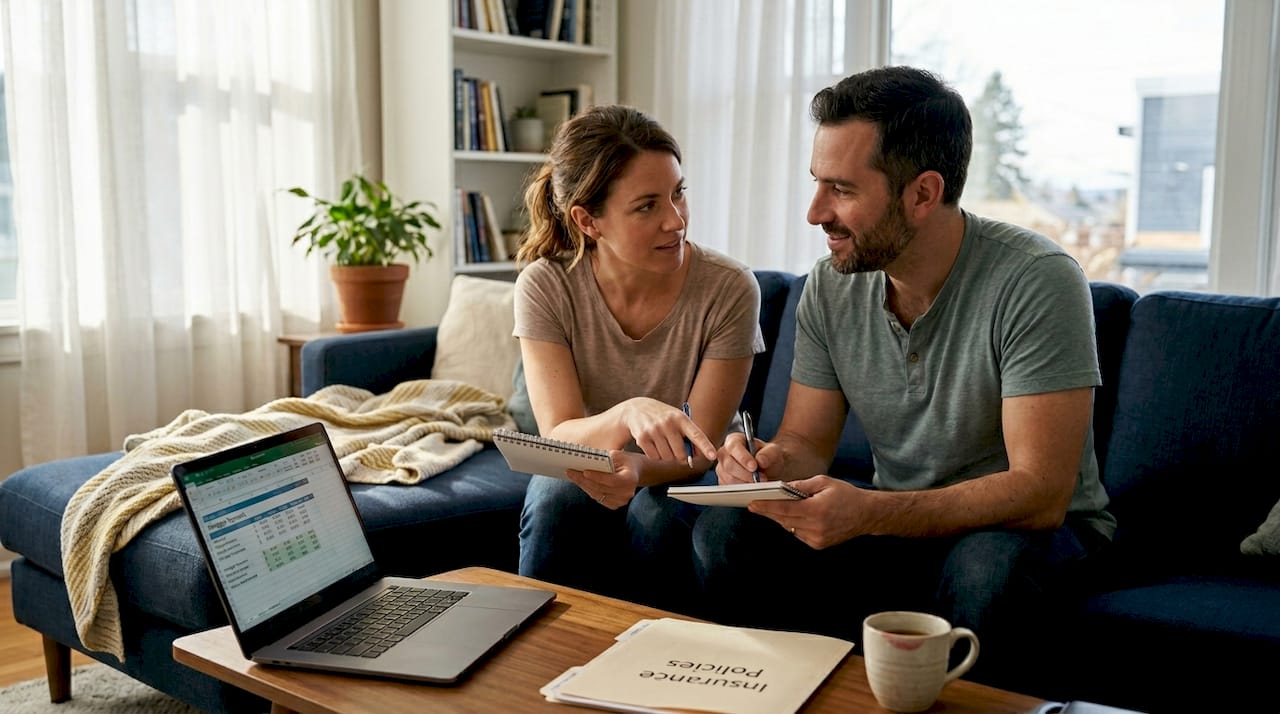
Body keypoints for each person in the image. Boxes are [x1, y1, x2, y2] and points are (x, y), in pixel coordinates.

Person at [694, 66, 1114, 687]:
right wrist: (763, 463)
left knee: (986, 572)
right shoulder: (831, 287)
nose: (815, 213)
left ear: (922, 193)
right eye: (817, 184)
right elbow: (807, 443)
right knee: (727, 528)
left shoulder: (1037, 279)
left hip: (1029, 532)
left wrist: (870, 513)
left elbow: (1040, 492)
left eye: (841, 189)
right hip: (895, 523)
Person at [513, 104, 764, 608]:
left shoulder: (730, 288)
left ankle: (659, 668)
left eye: (678, 194)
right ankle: (532, 661)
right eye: (647, 206)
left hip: (685, 471)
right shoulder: (545, 285)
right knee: (557, 495)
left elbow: (701, 448)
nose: (676, 221)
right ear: (589, 221)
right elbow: (559, 433)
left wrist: (632, 470)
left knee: (658, 514)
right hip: (586, 461)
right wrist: (630, 412)